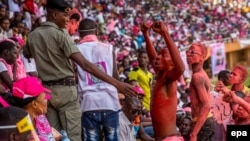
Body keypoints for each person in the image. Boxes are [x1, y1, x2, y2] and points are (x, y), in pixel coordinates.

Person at [23, 0, 135, 140]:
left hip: (46, 94)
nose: (67, 20)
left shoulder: (34, 35)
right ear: (54, 14)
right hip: (66, 93)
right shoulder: (61, 34)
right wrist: (117, 84)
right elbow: (85, 65)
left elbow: (26, 54)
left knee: (53, 136)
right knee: (72, 137)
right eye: (64, 16)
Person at [76, 18, 121, 141]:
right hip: (109, 102)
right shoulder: (108, 48)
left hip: (88, 103)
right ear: (96, 31)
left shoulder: (76, 50)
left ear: (79, 33)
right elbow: (115, 77)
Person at [141, 21, 185, 141]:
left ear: (172, 63)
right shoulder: (161, 75)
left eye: (163, 55)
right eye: (159, 54)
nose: (158, 57)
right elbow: (152, 57)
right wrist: (145, 34)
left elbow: (181, 68)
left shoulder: (168, 78)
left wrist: (165, 33)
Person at [186, 43, 214, 141]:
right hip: (206, 120)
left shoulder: (197, 76)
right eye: (188, 51)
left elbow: (206, 105)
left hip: (203, 121)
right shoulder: (201, 74)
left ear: (202, 57)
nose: (188, 54)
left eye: (192, 52)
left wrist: (194, 133)